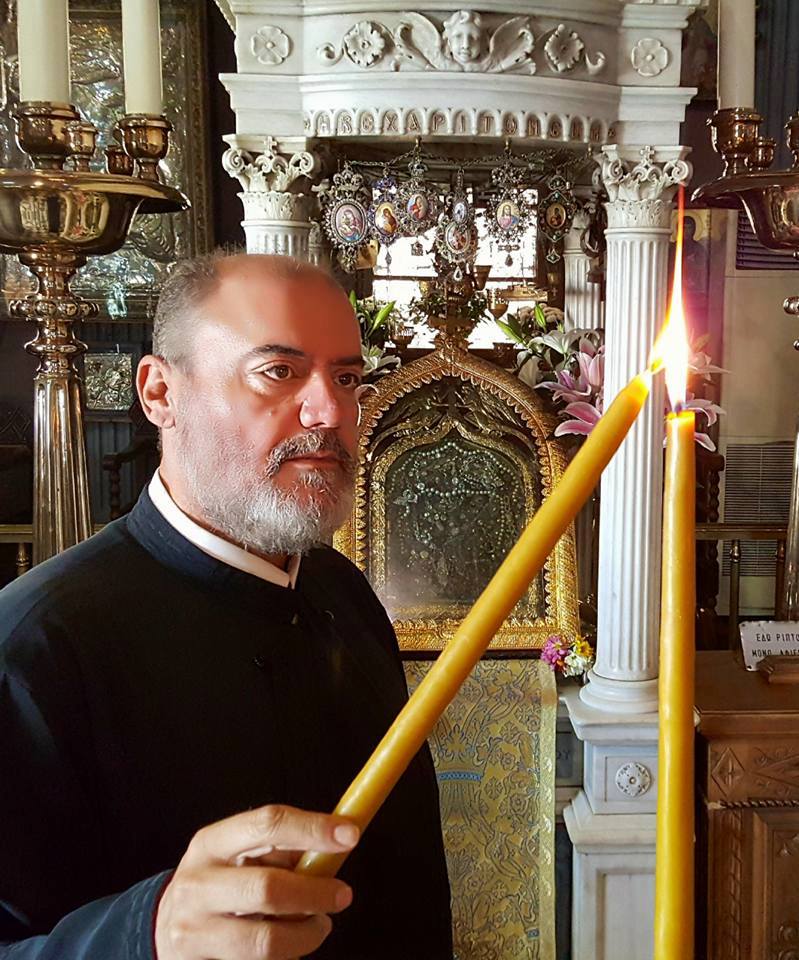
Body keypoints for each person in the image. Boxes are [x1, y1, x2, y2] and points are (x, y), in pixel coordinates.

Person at [0, 253, 452, 959]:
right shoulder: (33, 648)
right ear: (160, 393)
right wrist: (148, 931)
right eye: (278, 371)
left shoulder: (342, 591)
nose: (331, 412)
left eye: (346, 378)